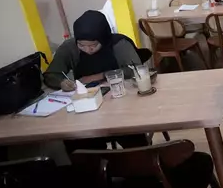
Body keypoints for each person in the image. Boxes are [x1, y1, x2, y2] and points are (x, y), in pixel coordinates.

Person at [43, 10, 149, 152]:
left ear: (103, 39)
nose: (88, 50)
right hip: (87, 107)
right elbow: (51, 74)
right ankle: (99, 169)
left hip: (121, 104)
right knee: (76, 141)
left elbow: (134, 69)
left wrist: (100, 76)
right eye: (81, 45)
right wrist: (61, 82)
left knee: (133, 139)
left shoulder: (119, 44)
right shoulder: (70, 47)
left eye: (93, 45)